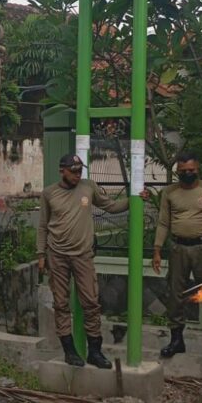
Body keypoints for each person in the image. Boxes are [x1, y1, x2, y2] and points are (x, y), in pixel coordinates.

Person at [37, 153, 148, 369]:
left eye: (80, 171)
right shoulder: (49, 193)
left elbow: (110, 206)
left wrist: (135, 199)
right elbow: (42, 226)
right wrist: (41, 254)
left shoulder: (88, 187)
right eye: (73, 171)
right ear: (62, 171)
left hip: (83, 255)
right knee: (61, 303)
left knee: (91, 302)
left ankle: (95, 351)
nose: (77, 175)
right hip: (57, 255)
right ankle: (69, 350)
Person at [152, 152, 202, 361]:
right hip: (178, 248)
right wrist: (157, 249)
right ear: (177, 171)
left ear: (198, 169)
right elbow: (163, 222)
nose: (187, 173)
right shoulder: (169, 192)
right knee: (175, 293)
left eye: (191, 170)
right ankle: (177, 339)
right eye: (183, 171)